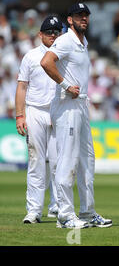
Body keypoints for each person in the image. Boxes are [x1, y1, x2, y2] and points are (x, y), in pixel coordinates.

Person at [40, 3, 112, 229]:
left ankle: (88, 212)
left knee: (86, 161)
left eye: (86, 15)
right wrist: (65, 85)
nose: (84, 19)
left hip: (81, 105)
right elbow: (46, 62)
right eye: (79, 16)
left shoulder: (83, 42)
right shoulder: (64, 40)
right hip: (66, 105)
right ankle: (64, 215)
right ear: (69, 20)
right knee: (67, 160)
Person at [16, 15, 62, 224]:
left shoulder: (65, 54)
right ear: (40, 34)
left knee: (57, 163)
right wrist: (20, 115)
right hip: (35, 110)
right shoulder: (31, 56)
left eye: (56, 32)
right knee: (36, 162)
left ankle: (57, 206)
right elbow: (22, 86)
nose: (53, 35)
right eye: (49, 32)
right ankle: (33, 210)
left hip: (58, 111)